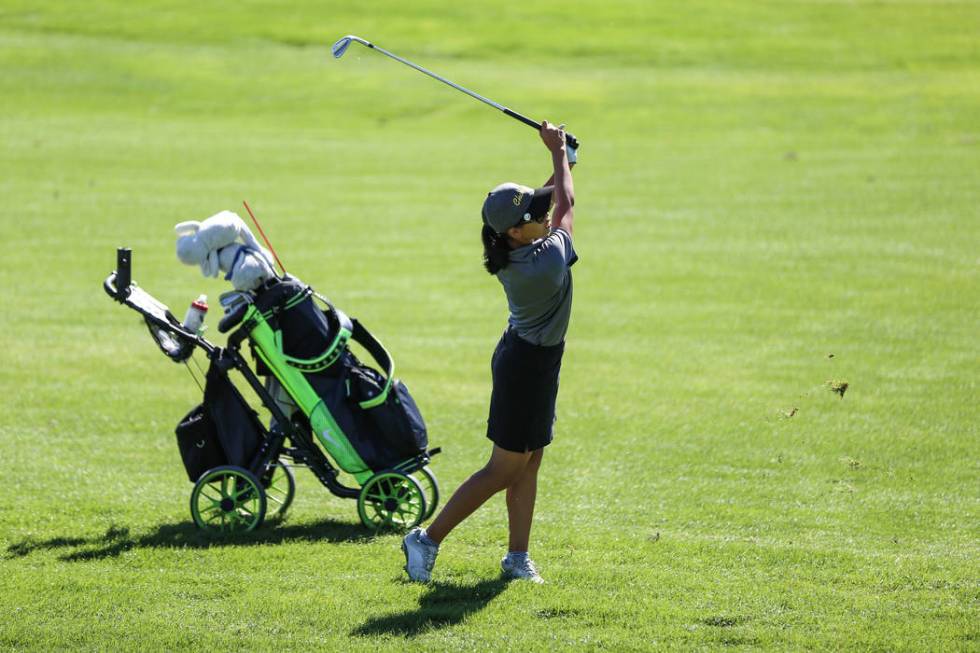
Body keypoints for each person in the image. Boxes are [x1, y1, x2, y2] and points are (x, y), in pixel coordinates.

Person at [402, 121, 578, 583]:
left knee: (531, 458)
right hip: (525, 367)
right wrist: (558, 155)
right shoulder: (545, 263)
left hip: (534, 359)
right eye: (535, 216)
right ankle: (426, 539)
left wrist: (564, 160)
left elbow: (549, 204)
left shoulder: (519, 243)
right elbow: (567, 206)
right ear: (518, 233)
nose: (545, 214)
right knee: (504, 468)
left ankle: (517, 558)